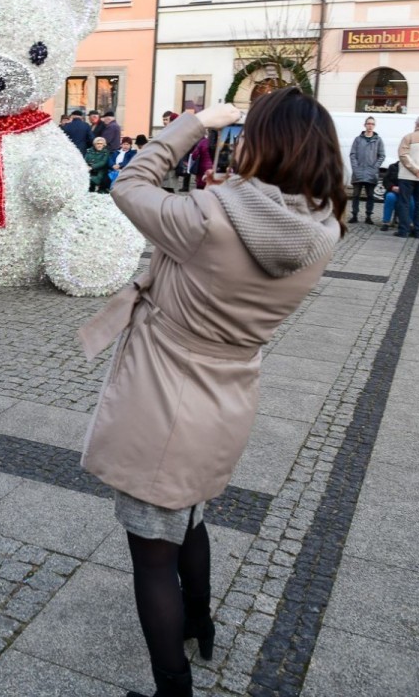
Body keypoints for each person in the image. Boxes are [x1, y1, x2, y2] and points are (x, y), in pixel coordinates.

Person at [79, 88, 342, 697]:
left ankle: (173, 687)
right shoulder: (324, 228)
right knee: (191, 517)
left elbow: (129, 182)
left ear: (262, 144)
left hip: (164, 398)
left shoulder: (207, 215)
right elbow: (249, 221)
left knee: (151, 556)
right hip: (229, 394)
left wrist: (195, 123)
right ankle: (201, 622)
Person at [348, 116, 385, 224]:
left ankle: (368, 216)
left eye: (372, 124)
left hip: (371, 173)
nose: (370, 126)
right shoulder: (358, 139)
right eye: (368, 123)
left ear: (374, 126)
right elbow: (353, 154)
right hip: (358, 172)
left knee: (370, 196)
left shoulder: (378, 140)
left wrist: (375, 167)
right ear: (365, 125)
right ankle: (354, 215)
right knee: (355, 195)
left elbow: (382, 155)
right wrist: (355, 167)